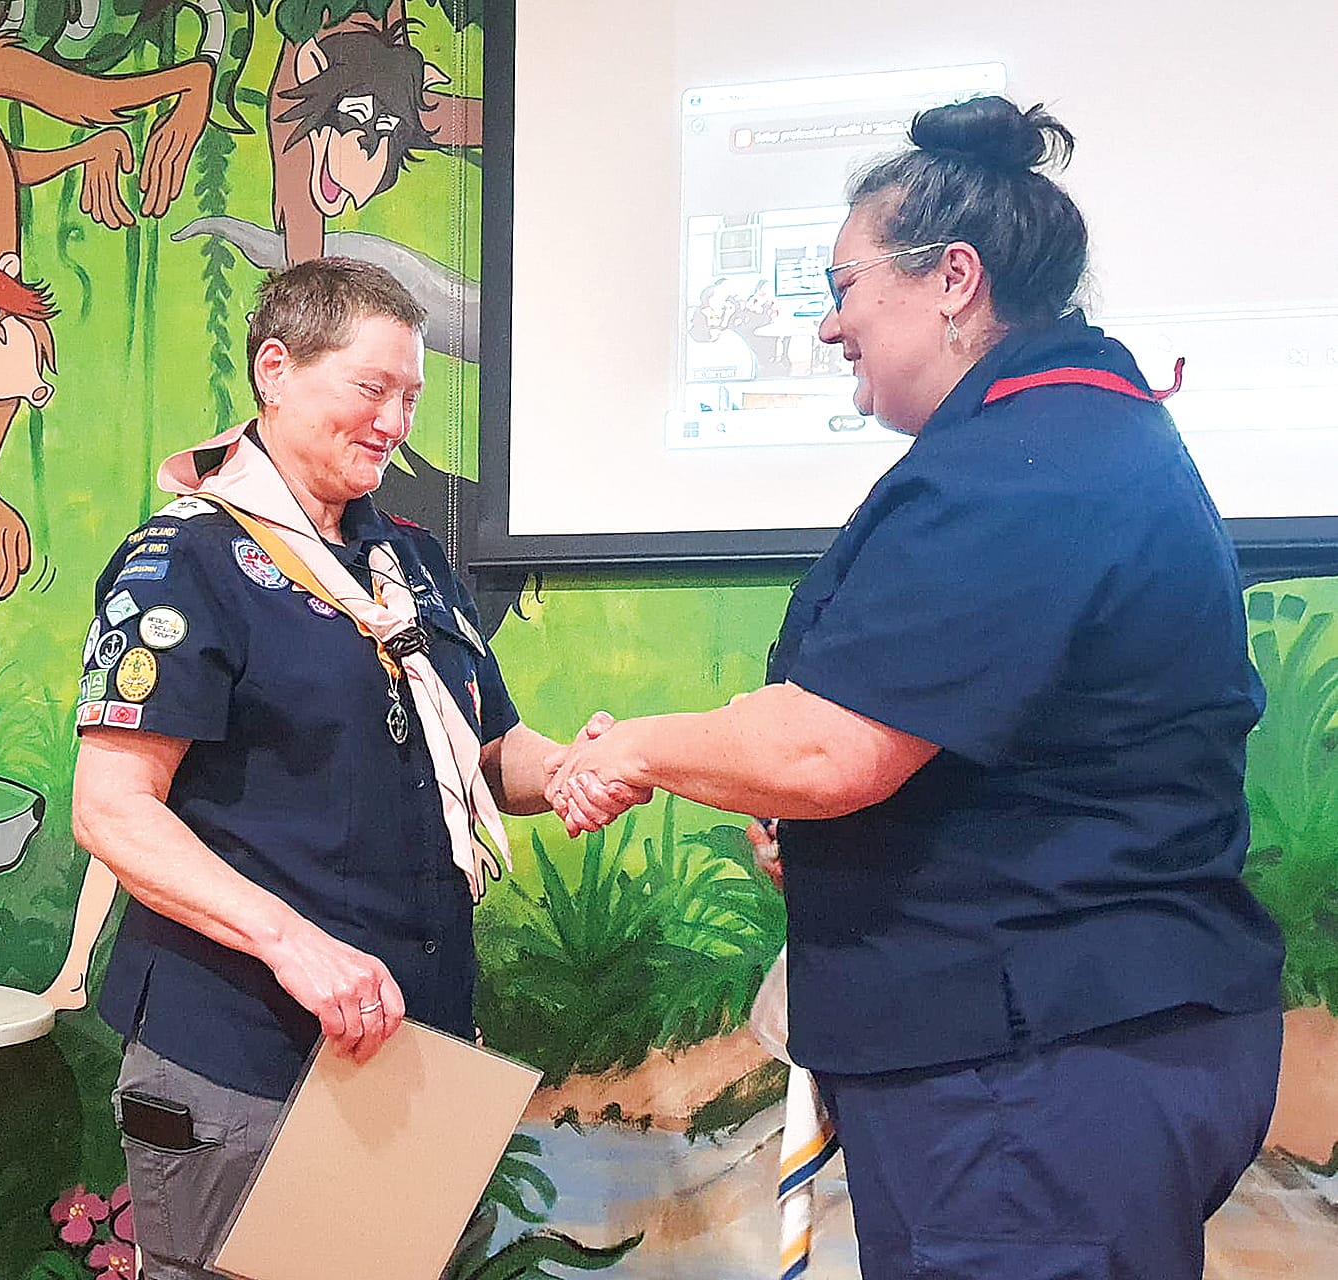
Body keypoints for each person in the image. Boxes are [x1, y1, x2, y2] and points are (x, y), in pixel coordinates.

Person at [547, 97, 1284, 1280]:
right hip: (1035, 1053)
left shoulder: (1026, 465)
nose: (832, 324)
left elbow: (830, 750)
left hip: (1033, 1069)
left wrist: (632, 745)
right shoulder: (1061, 439)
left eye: (841, 285)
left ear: (952, 278)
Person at [71, 258, 639, 1280]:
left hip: (405, 1044)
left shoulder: (407, 560)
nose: (395, 421)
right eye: (372, 388)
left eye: (412, 396)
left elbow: (483, 747)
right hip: (243, 1049)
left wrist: (562, 769)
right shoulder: (184, 560)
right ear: (276, 371)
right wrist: (296, 946)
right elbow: (113, 809)